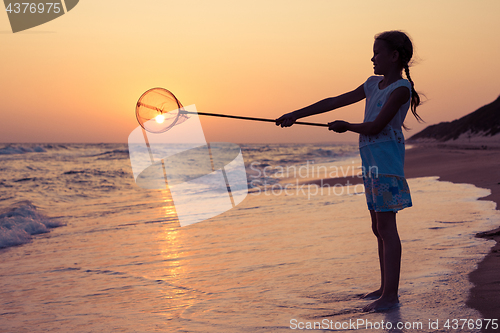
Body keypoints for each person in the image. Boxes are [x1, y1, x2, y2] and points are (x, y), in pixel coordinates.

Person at [275, 30, 422, 312]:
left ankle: (391, 295)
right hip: (371, 165)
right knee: (377, 228)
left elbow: (377, 126)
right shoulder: (371, 84)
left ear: (394, 57)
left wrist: (348, 126)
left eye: (377, 52)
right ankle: (384, 288)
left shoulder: (401, 90)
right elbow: (333, 101)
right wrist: (296, 114)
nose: (372, 57)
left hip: (387, 166)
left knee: (387, 229)